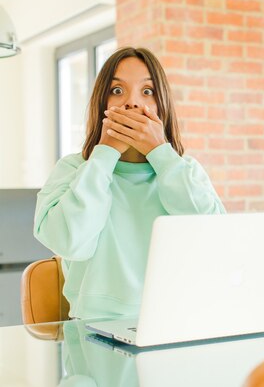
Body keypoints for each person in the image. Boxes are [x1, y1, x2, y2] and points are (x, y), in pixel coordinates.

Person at [34, 47, 226, 320]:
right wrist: (104, 154)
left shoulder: (185, 171)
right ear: (102, 104)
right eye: (116, 91)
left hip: (176, 325)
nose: (132, 103)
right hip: (96, 333)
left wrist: (160, 153)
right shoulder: (73, 170)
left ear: (162, 105)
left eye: (147, 92)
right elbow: (71, 242)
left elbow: (214, 242)